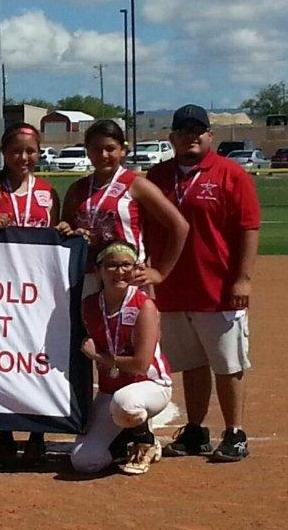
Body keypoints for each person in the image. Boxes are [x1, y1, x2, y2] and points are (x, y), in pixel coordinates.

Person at [146, 104, 260, 461]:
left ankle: (235, 432)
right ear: (172, 138)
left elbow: (248, 228)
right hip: (174, 289)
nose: (191, 137)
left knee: (227, 364)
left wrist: (242, 279)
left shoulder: (230, 174)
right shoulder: (158, 176)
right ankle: (196, 430)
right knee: (192, 363)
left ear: (210, 135)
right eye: (184, 131)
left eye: (198, 131)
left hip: (218, 288)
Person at [0, 122, 61, 468]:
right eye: (16, 151)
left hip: (39, 294)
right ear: (5, 154)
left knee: (37, 361)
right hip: (0, 293)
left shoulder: (48, 192)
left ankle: (37, 436)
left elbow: (57, 237)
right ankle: (5, 436)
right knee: (2, 362)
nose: (23, 157)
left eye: (30, 151)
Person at [71, 241, 173, 475]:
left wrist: (99, 357)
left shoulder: (143, 305)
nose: (120, 272)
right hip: (110, 390)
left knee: (126, 403)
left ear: (135, 269)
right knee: (84, 461)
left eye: (126, 265)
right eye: (112, 265)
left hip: (150, 385)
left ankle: (145, 441)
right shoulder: (89, 305)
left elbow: (141, 364)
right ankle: (123, 440)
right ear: (98, 270)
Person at [61, 119, 189, 295]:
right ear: (88, 151)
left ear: (122, 150)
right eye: (96, 149)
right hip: (88, 278)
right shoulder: (77, 189)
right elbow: (66, 229)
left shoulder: (137, 185)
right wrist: (68, 230)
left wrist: (160, 272)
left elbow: (180, 226)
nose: (103, 155)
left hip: (128, 278)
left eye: (110, 149)